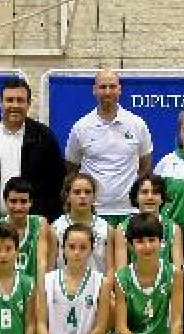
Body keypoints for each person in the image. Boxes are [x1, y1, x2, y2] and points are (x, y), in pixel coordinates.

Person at [0, 78, 67, 224]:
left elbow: (58, 184)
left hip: (33, 226)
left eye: (20, 100)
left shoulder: (45, 137)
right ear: (0, 102)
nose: (14, 105)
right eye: (9, 100)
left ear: (28, 104)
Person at [65, 70, 153, 225]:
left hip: (129, 211)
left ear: (119, 89)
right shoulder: (81, 127)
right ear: (94, 90)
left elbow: (145, 165)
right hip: (93, 212)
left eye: (112, 87)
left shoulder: (137, 124)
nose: (107, 92)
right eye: (102, 87)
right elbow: (72, 169)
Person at [107, 212, 184, 334]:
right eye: (140, 241)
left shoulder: (173, 273)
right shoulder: (122, 277)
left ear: (161, 242)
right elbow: (121, 326)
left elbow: (176, 320)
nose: (147, 246)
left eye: (152, 240)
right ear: (130, 245)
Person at [36, 223, 111, 334]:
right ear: (62, 249)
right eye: (71, 247)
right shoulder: (47, 280)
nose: (77, 252)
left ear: (91, 250)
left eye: (83, 247)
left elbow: (100, 328)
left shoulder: (102, 282)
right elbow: (41, 323)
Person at [51, 172, 117, 275]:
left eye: (87, 192)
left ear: (94, 196)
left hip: (98, 288)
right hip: (63, 289)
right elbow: (50, 268)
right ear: (67, 196)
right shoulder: (55, 228)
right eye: (77, 192)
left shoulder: (107, 229)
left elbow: (111, 270)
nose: (82, 196)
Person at [114, 173, 184, 268]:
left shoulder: (174, 228)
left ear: (162, 198)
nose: (150, 197)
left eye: (155, 192)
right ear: (136, 197)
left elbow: (178, 269)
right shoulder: (122, 228)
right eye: (144, 192)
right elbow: (120, 270)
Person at [0, 177, 52, 281]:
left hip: (34, 291)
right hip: (2, 292)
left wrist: (41, 292)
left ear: (31, 202)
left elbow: (42, 263)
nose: (18, 207)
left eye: (23, 201)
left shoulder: (40, 223)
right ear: (5, 201)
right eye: (13, 201)